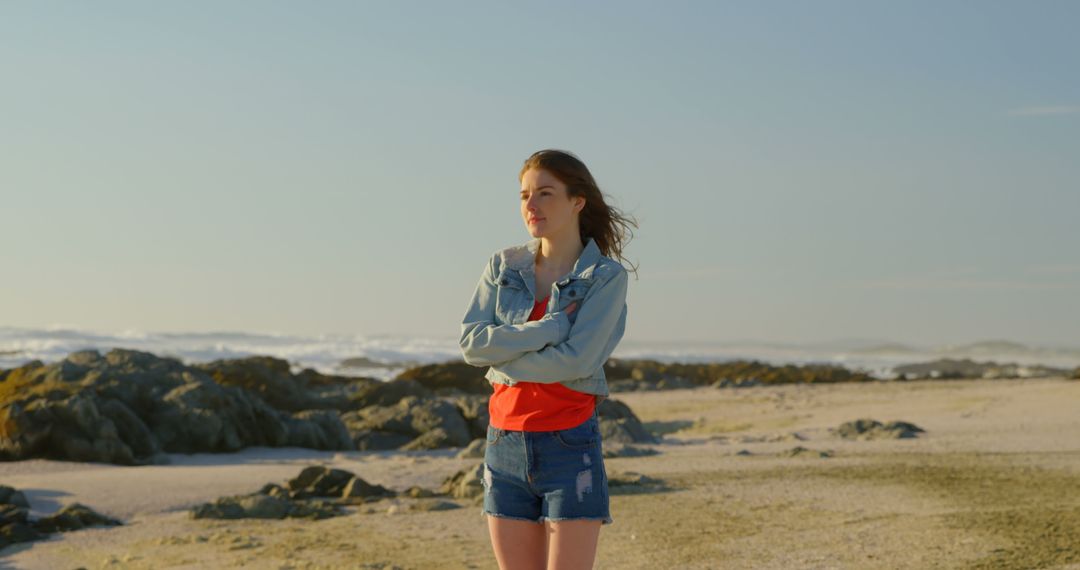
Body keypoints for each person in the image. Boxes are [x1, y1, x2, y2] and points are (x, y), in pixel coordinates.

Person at [459, 149, 638, 570]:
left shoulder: (605, 278)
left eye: (545, 193)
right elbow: (471, 344)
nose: (531, 206)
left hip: (569, 444)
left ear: (578, 201)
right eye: (524, 196)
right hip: (502, 444)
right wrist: (549, 330)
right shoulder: (503, 267)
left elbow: (576, 362)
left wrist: (504, 362)